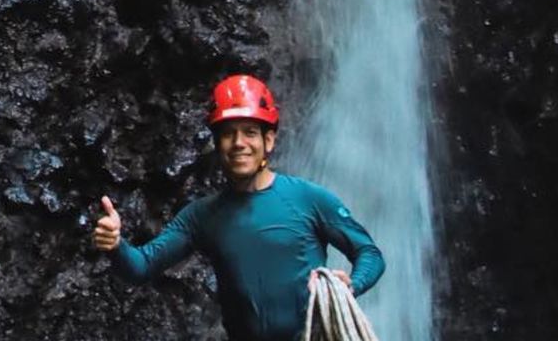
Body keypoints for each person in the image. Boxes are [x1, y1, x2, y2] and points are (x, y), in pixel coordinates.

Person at [91, 74, 384, 341]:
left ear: (269, 141)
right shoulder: (202, 216)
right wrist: (116, 244)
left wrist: (350, 286)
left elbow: (369, 253)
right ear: (218, 144)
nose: (239, 143)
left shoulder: (308, 199)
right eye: (228, 133)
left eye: (250, 132)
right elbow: (141, 266)